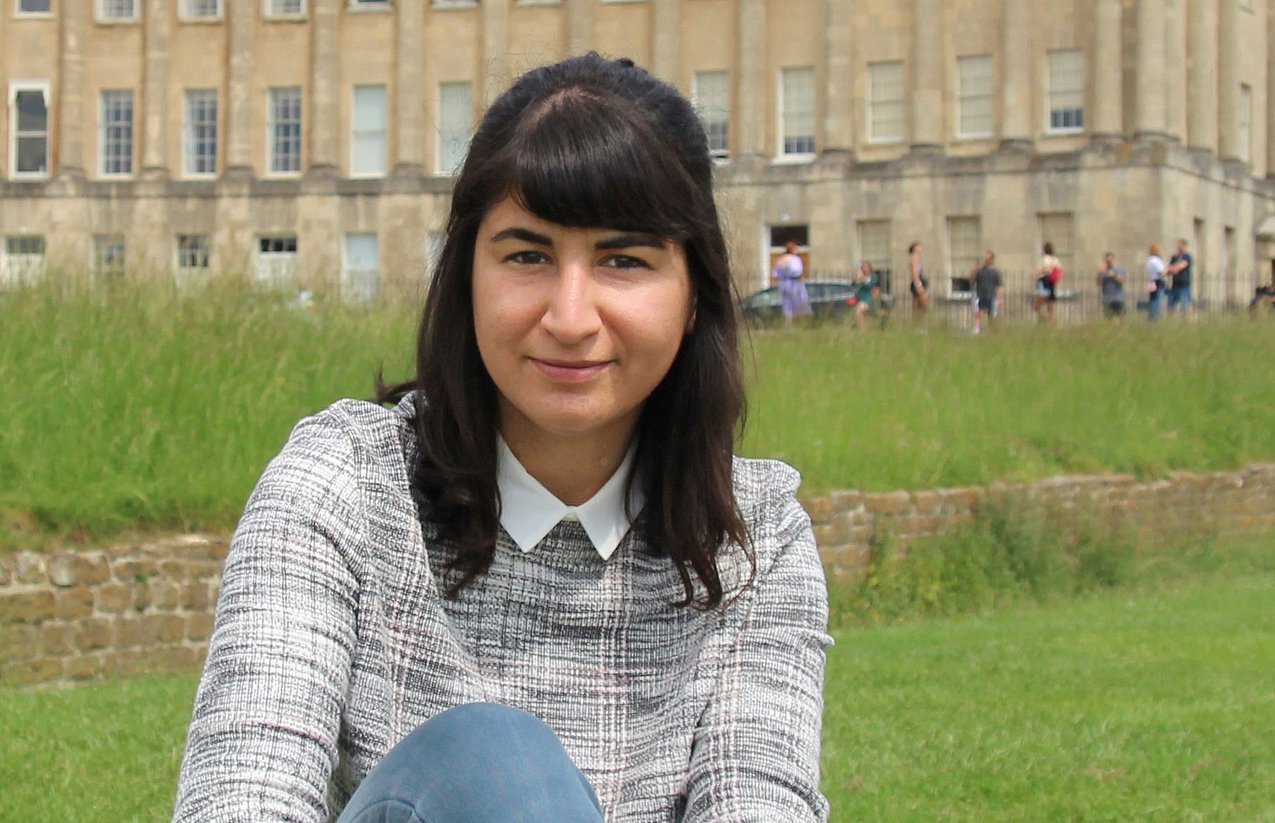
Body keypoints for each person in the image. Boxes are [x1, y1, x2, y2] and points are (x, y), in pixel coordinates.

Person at [171, 54, 831, 823]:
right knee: (493, 763)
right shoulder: (343, 485)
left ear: (693, 298)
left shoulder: (755, 539)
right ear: (466, 276)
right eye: (527, 255)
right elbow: (242, 794)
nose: (571, 316)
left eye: (624, 259)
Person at [775, 239, 810, 327]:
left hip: (783, 284)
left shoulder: (781, 259)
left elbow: (775, 273)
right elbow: (796, 272)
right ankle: (799, 324)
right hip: (794, 284)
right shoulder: (795, 259)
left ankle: (788, 324)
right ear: (793, 250)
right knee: (799, 303)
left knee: (787, 305)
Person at [971, 251, 1003, 334]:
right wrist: (974, 271)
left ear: (992, 259)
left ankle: (992, 332)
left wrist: (1000, 299)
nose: (986, 260)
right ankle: (976, 331)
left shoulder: (995, 272)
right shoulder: (980, 271)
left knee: (991, 316)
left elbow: (999, 286)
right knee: (978, 314)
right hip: (980, 295)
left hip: (991, 296)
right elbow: (971, 281)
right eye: (985, 259)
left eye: (988, 258)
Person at [1033, 241, 1062, 323]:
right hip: (1052, 282)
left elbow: (1046, 270)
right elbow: (1060, 270)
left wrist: (1036, 272)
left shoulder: (1046, 258)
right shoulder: (1056, 259)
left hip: (1044, 281)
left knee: (1037, 305)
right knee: (1050, 306)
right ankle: (1051, 322)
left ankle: (1043, 319)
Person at [1166, 239, 1194, 313]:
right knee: (1171, 305)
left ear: (1185, 246)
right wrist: (1172, 268)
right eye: (1178, 245)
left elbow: (1179, 267)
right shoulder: (1174, 257)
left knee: (1184, 305)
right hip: (1175, 284)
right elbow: (1168, 269)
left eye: (1181, 245)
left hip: (1184, 284)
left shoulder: (1187, 257)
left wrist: (1173, 268)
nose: (1179, 247)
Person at [852, 260, 881, 330]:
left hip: (868, 297)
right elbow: (854, 285)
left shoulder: (873, 278)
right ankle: (866, 328)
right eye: (864, 267)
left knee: (858, 312)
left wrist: (875, 299)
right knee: (864, 315)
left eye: (867, 266)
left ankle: (863, 329)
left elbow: (874, 288)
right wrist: (858, 277)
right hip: (860, 297)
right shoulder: (860, 276)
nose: (865, 268)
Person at [1097, 251, 1127, 318]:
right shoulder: (1103, 271)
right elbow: (1098, 284)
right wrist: (1099, 274)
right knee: (1108, 318)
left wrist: (1114, 275)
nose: (1109, 262)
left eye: (1110, 260)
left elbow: (1123, 281)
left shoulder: (1120, 269)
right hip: (1107, 299)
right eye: (1107, 261)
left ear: (1113, 260)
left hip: (1118, 298)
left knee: (1120, 318)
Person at [906, 241, 932, 317]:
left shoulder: (916, 258)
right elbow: (914, 273)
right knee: (924, 305)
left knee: (919, 306)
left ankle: (918, 324)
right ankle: (918, 324)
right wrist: (919, 285)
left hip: (919, 282)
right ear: (915, 248)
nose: (921, 248)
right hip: (918, 283)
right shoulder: (914, 258)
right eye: (919, 246)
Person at [1144, 243, 1167, 321]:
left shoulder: (1148, 260)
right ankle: (1155, 317)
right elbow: (1161, 272)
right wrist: (1167, 269)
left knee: (1152, 299)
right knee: (1158, 300)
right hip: (1157, 281)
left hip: (1151, 281)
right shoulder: (1156, 260)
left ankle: (1151, 316)